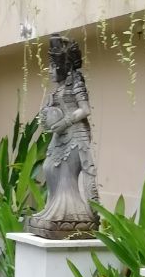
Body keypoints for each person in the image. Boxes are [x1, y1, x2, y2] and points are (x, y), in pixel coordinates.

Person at [28, 35, 99, 238]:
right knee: (49, 167)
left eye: (53, 66)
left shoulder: (76, 83)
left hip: (76, 135)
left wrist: (65, 121)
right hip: (60, 135)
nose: (50, 71)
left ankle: (71, 214)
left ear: (63, 66)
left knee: (66, 173)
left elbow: (85, 109)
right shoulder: (57, 89)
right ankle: (53, 209)